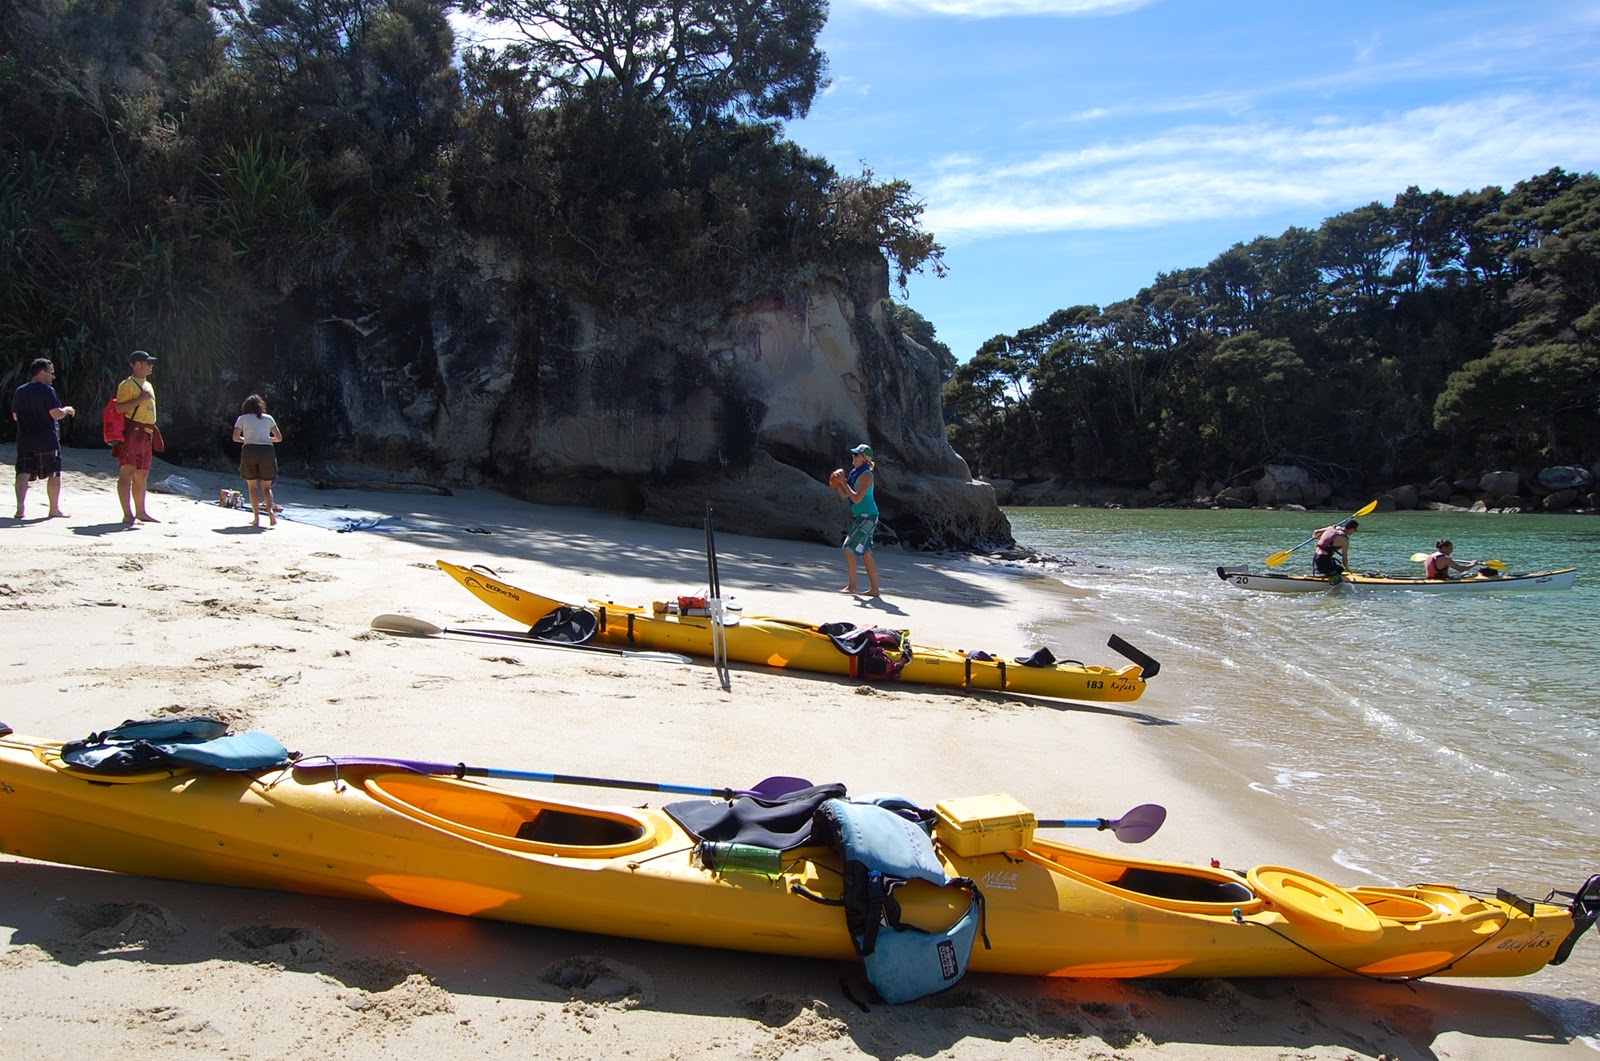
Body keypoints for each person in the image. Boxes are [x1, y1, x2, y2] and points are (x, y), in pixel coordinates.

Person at [11, 357, 76, 519]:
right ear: (42, 373)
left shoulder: (20, 391)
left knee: (23, 472)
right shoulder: (47, 391)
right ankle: (54, 508)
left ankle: (20, 508)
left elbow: (15, 416)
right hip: (47, 439)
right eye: (51, 373)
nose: (53, 376)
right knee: (54, 473)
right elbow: (55, 414)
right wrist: (66, 410)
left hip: (25, 440)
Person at [114, 349, 161, 524]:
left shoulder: (148, 384)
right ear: (137, 364)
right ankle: (127, 514)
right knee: (127, 471)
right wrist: (141, 398)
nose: (151, 366)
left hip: (147, 433)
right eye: (148, 363)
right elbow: (119, 408)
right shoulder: (127, 384)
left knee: (142, 473)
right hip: (133, 431)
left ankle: (141, 512)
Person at [832, 443, 881, 597]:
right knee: (866, 553)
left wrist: (843, 482)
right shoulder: (855, 473)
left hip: (868, 515)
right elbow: (844, 495)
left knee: (848, 547)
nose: (853, 457)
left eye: (856, 455)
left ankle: (852, 586)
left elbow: (857, 498)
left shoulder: (866, 475)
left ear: (864, 459)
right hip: (863, 516)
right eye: (853, 454)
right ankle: (875, 590)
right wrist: (838, 483)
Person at [231, 394, 283, 528]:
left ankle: (256, 518)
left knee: (252, 487)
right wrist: (266, 438)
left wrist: (247, 439)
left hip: (249, 450)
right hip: (267, 451)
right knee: (266, 487)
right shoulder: (268, 418)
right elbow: (278, 438)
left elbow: (235, 437)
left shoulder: (242, 419)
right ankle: (270, 511)